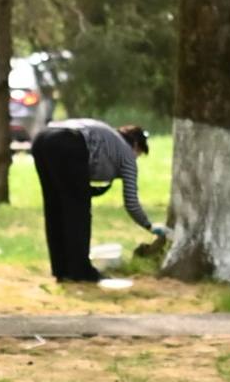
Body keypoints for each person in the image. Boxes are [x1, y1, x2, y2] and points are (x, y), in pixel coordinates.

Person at [29, 118, 158, 285]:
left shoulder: (108, 139)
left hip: (42, 138)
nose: (136, 158)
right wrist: (149, 226)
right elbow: (131, 202)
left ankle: (61, 270)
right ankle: (81, 271)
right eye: (139, 154)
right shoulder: (127, 155)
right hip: (70, 142)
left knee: (54, 208)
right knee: (78, 213)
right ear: (135, 145)